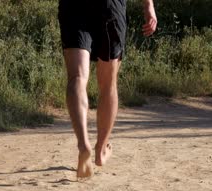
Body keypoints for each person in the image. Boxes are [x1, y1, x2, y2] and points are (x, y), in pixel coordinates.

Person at [58, 0, 157, 179]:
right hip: (110, 5)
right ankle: (101, 151)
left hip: (74, 7)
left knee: (78, 78)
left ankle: (83, 144)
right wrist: (148, 6)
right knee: (108, 84)